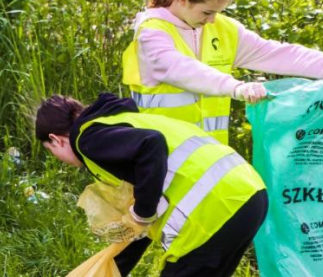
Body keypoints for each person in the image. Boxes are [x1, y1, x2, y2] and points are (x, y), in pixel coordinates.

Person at [36, 92, 268, 277]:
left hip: (216, 212)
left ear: (56, 140)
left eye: (51, 151)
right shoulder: (122, 122)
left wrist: (142, 212)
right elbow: (145, 221)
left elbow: (152, 145)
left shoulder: (86, 138)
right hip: (249, 196)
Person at [123, 0, 323, 144]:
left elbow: (279, 54)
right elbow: (181, 69)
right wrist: (236, 87)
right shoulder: (151, 33)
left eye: (217, 12)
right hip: (161, 161)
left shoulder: (223, 29)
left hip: (211, 160)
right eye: (207, 12)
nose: (212, 20)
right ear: (183, 0)